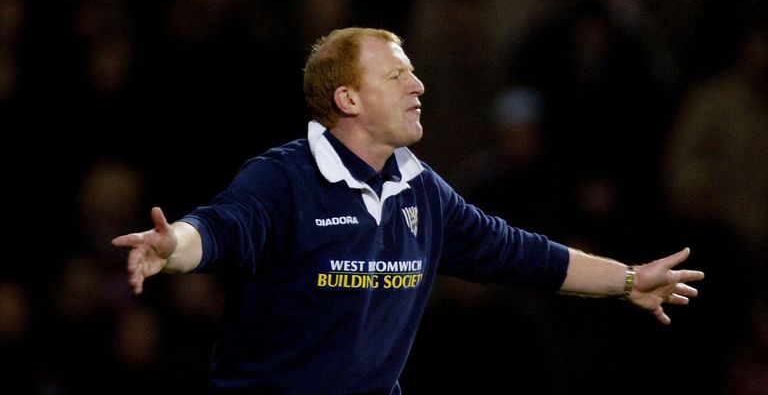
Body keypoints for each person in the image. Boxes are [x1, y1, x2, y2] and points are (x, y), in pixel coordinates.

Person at [111, 27, 705, 394]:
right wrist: (174, 246)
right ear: (347, 99)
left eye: (414, 72)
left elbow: (522, 255)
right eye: (397, 75)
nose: (418, 85)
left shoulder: (423, 191)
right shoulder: (283, 177)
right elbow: (220, 228)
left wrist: (628, 281)